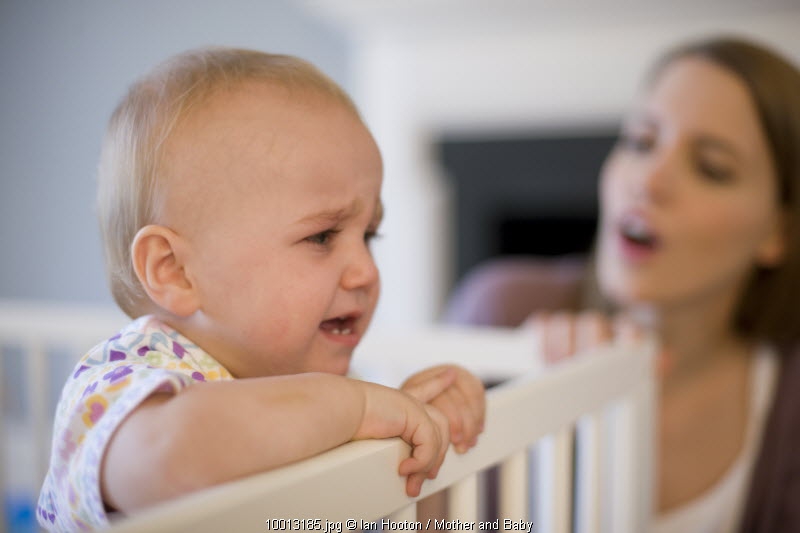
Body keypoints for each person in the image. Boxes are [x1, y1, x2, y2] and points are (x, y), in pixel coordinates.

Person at [37, 47, 486, 531]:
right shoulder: (126, 380)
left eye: (370, 235)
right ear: (175, 271)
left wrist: (404, 439)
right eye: (322, 236)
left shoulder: (302, 383)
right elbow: (170, 458)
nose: (366, 272)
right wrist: (356, 407)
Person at [445, 35, 800, 532]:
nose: (648, 181)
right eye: (640, 142)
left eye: (711, 168)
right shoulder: (501, 315)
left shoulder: (787, 401)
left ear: (777, 232)